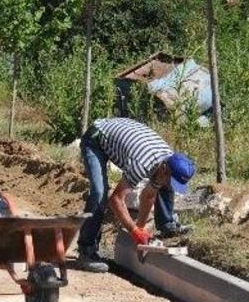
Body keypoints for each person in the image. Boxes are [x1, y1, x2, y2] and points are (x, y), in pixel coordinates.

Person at [77, 117, 195, 273]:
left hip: (121, 137)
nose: (171, 186)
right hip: (96, 138)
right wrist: (135, 232)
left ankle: (166, 226)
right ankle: (86, 250)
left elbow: (148, 196)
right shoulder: (141, 165)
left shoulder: (166, 161)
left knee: (165, 186)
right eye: (171, 181)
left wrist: (141, 231)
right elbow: (116, 200)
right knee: (99, 193)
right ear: (164, 169)